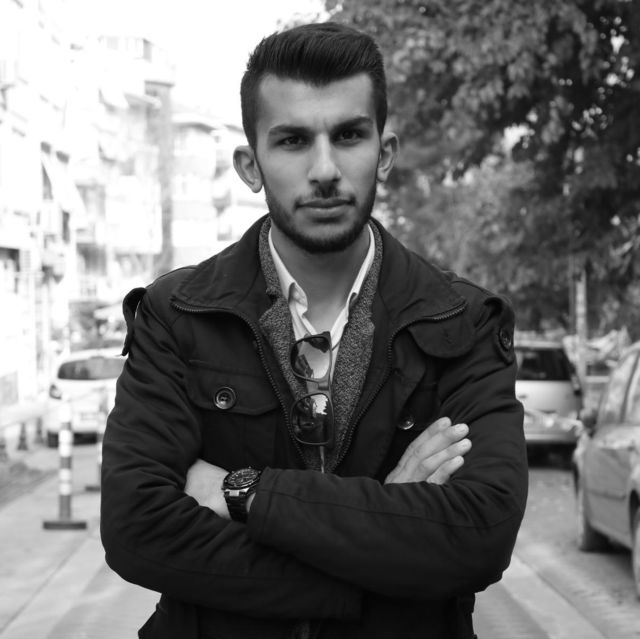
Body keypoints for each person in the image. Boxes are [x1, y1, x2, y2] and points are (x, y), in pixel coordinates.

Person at [100, 21, 527, 639]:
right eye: (294, 140)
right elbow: (136, 528)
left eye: (348, 135)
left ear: (384, 153)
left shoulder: (461, 320)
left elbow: (479, 534)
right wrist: (378, 553)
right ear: (251, 165)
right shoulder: (179, 314)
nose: (324, 169)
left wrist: (242, 491)